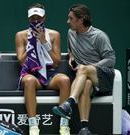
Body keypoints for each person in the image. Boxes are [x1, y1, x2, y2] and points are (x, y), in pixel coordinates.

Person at [52, 4, 115, 135]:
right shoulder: (71, 33)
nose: (67, 22)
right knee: (86, 84)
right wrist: (71, 57)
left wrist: (90, 67)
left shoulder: (99, 36)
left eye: (71, 18)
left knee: (84, 70)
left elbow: (111, 60)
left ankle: (69, 103)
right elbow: (71, 50)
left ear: (81, 20)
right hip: (85, 78)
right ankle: (84, 128)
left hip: (103, 77)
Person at [15, 3, 71, 135]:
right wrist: (32, 42)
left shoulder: (54, 35)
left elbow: (56, 62)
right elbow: (22, 62)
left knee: (65, 80)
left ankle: (64, 126)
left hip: (50, 73)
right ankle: (33, 127)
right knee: (28, 81)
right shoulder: (21, 35)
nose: (35, 21)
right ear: (29, 19)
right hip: (31, 74)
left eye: (38, 18)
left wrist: (44, 42)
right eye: (33, 18)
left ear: (44, 18)